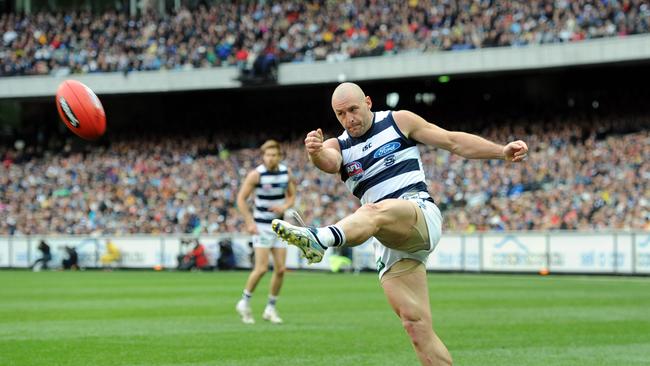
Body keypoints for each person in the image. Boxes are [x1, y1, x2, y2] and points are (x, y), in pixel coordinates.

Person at [271, 82, 528, 365]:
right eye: (341, 114)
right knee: (416, 326)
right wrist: (315, 151)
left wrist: (500, 151)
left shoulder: (398, 121)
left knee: (372, 211)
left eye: (353, 109)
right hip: (388, 239)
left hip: (417, 213)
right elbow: (329, 162)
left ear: (368, 102)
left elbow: (453, 141)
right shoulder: (339, 145)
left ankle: (321, 239)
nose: (349, 119)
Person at [235, 139, 296, 325]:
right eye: (268, 155)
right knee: (261, 268)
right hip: (261, 226)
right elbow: (241, 199)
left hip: (280, 227)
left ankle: (270, 308)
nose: (270, 158)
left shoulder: (286, 172)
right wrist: (249, 222)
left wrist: (284, 206)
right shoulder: (256, 175)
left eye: (274, 155)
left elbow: (292, 196)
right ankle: (244, 302)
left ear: (279, 156)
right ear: (263, 156)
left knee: (281, 269)